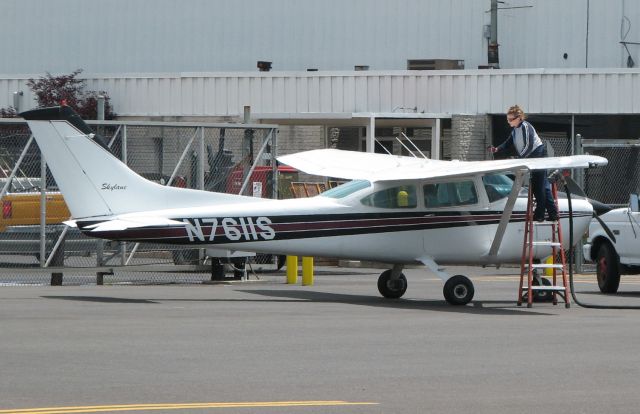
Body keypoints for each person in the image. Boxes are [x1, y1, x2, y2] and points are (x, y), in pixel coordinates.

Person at [489, 105, 558, 222]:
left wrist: (521, 158)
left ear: (519, 118)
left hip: (539, 156)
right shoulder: (515, 130)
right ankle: (553, 213)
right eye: (507, 119)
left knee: (539, 186)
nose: (508, 121)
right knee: (543, 186)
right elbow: (508, 142)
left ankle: (540, 215)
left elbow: (529, 145)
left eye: (511, 119)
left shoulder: (526, 127)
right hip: (531, 157)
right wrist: (497, 149)